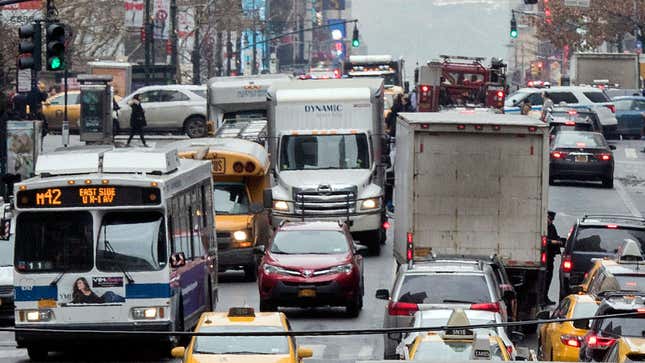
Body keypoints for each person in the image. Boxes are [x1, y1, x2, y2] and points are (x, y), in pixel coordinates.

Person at [544, 210, 563, 305]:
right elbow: (543, 240)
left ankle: (545, 297)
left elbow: (556, 237)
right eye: (549, 219)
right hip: (544, 257)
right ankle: (542, 298)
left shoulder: (552, 227)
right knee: (544, 278)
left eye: (552, 219)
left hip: (550, 257)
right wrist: (553, 242)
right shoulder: (543, 227)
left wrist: (559, 241)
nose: (550, 221)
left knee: (549, 278)